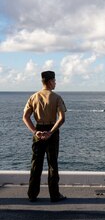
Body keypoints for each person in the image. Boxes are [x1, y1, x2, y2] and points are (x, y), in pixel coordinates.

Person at [22, 71, 67, 203]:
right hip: (51, 132)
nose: (56, 83)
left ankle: (32, 194)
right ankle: (54, 195)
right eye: (54, 80)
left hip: (38, 130)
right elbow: (62, 118)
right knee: (52, 164)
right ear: (50, 81)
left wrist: (35, 131)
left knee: (36, 164)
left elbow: (25, 117)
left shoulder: (33, 97)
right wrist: (51, 132)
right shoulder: (56, 97)